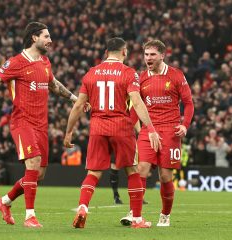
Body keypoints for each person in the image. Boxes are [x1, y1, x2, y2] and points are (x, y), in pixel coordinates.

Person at [0, 22, 82, 228]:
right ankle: (30, 217)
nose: (50, 40)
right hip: (22, 122)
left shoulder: (45, 62)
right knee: (33, 164)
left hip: (41, 125)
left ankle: (5, 202)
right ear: (34, 38)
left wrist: (74, 98)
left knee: (38, 175)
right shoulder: (16, 62)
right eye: (46, 36)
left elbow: (53, 85)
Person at [64, 37, 161, 229]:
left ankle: (83, 206)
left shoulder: (91, 73)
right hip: (121, 126)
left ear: (106, 52)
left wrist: (68, 133)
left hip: (98, 126)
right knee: (132, 171)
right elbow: (137, 102)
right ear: (124, 52)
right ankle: (137, 219)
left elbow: (77, 106)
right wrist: (150, 128)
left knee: (93, 172)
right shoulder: (128, 73)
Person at [120, 39, 194, 227]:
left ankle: (165, 215)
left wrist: (185, 124)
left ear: (162, 55)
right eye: (146, 55)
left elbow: (189, 103)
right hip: (148, 130)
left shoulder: (176, 75)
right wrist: (130, 127)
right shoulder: (140, 77)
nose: (148, 58)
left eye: (152, 54)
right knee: (141, 170)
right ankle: (134, 213)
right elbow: (135, 107)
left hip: (170, 130)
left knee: (165, 177)